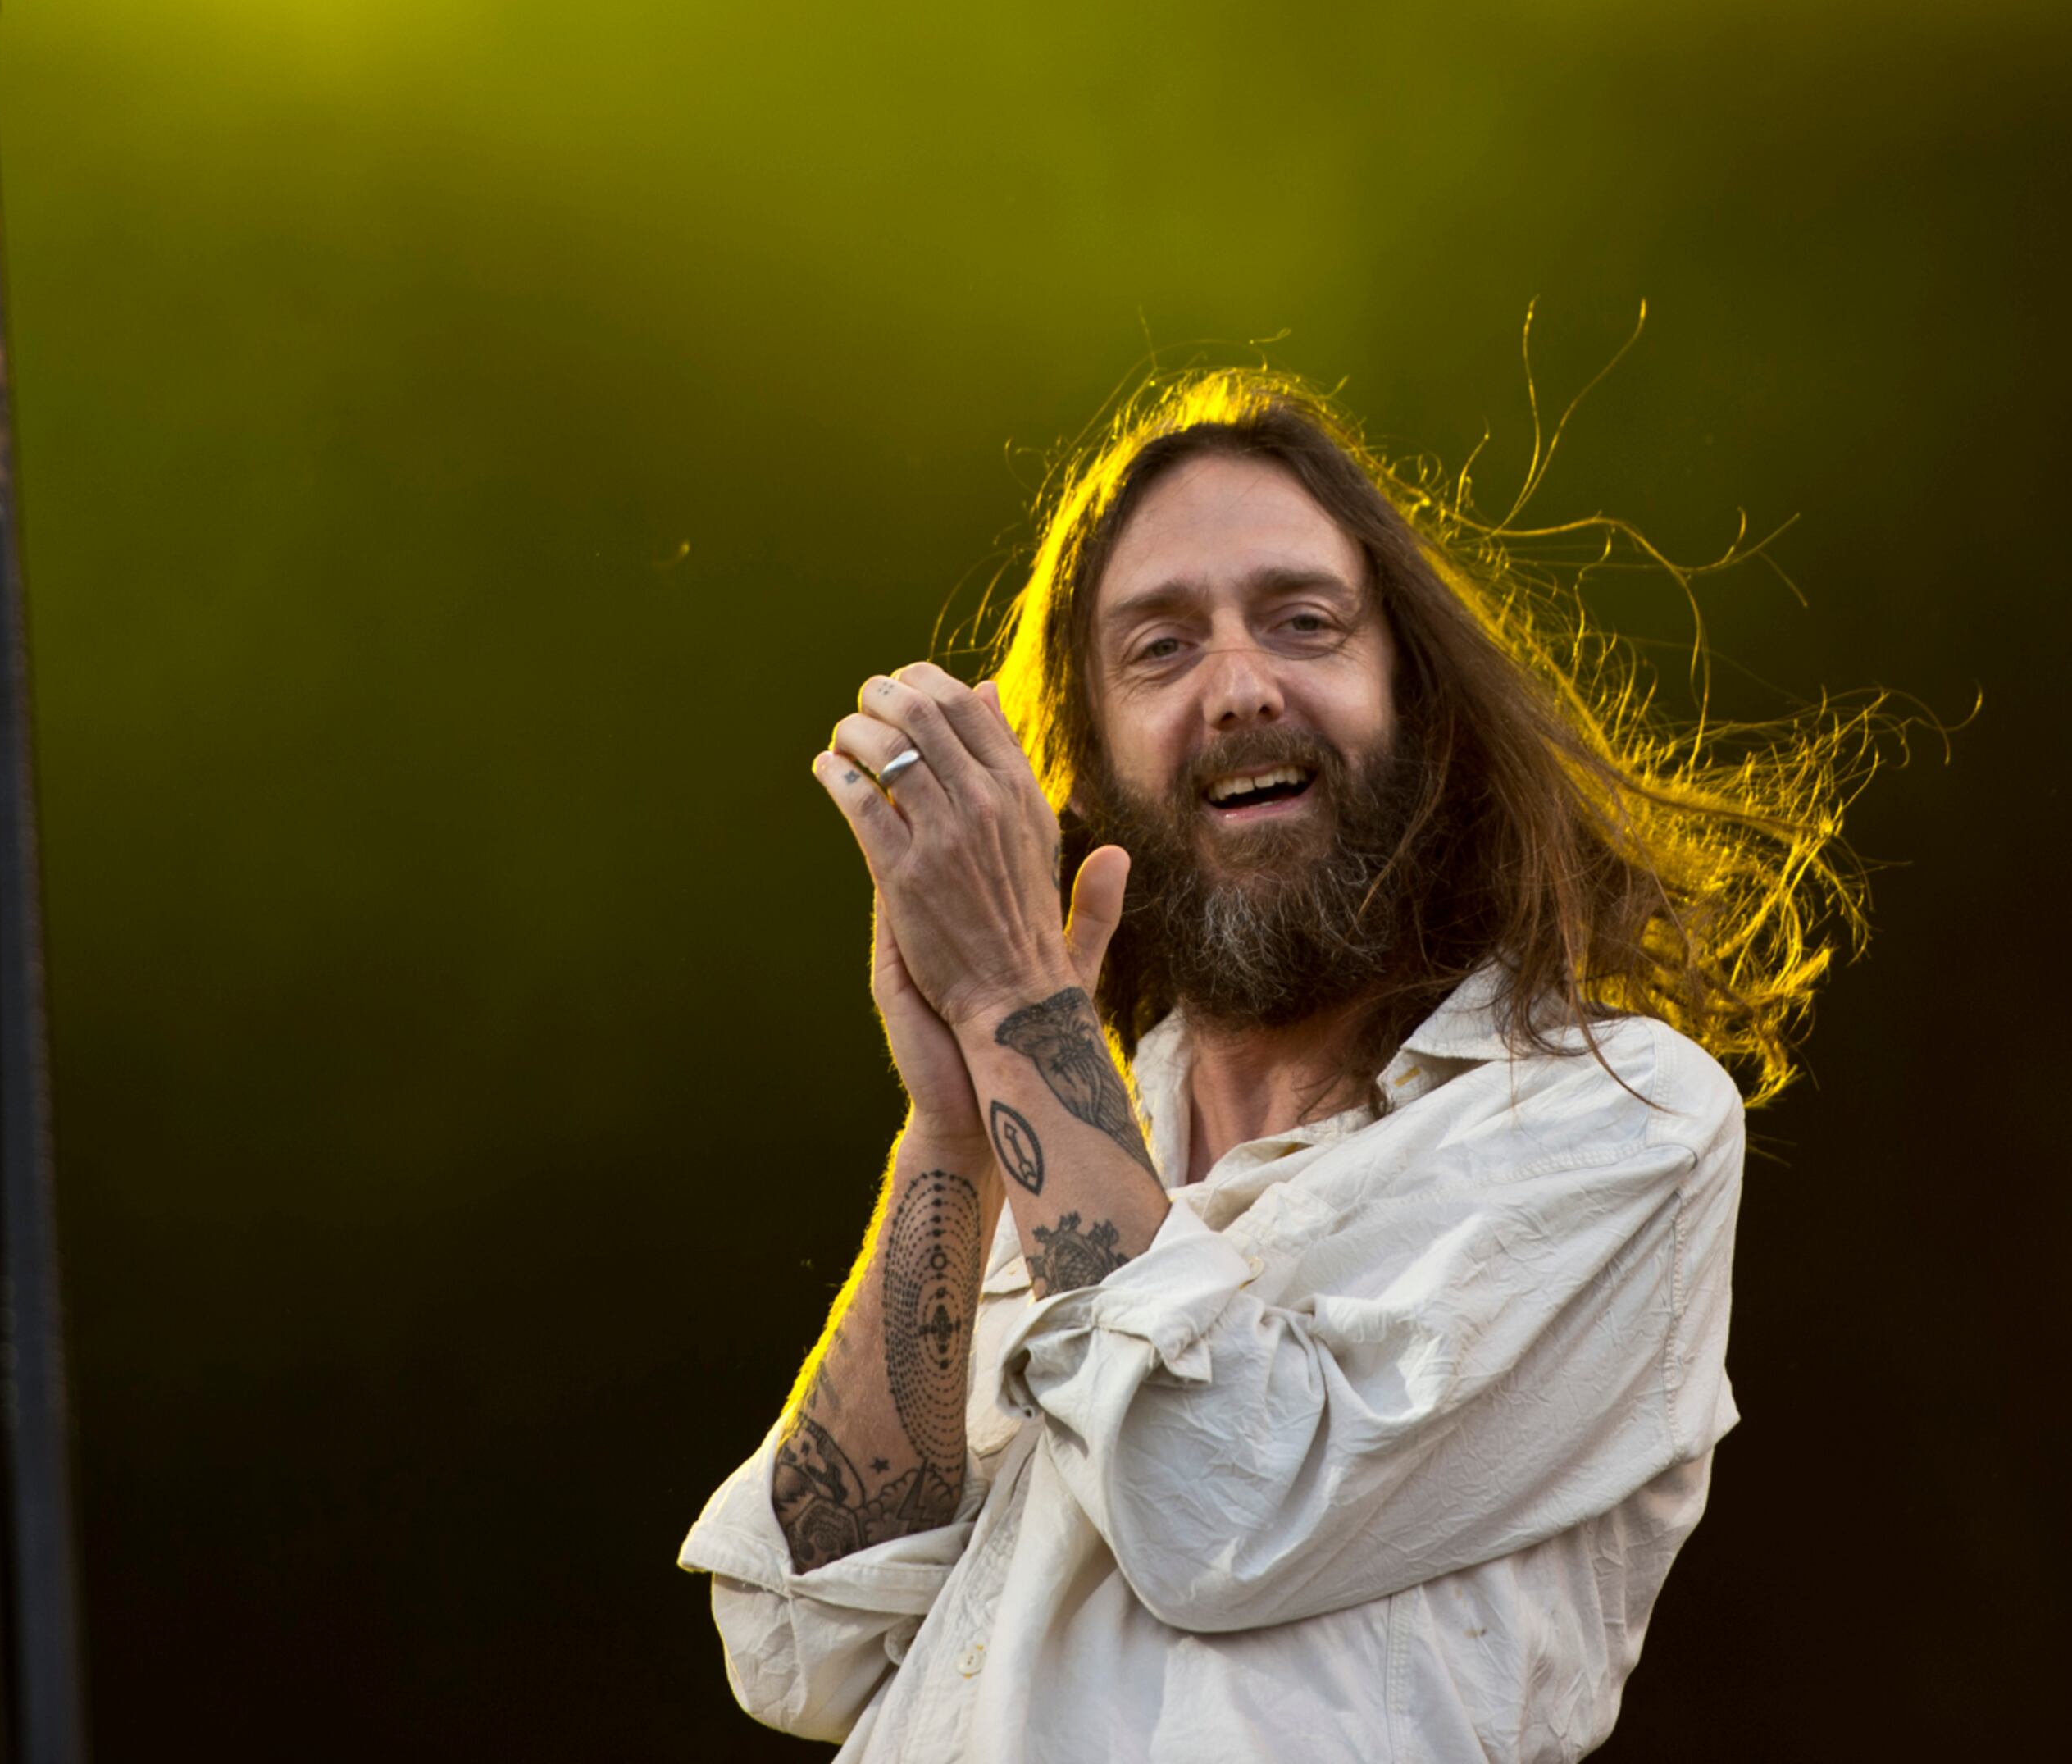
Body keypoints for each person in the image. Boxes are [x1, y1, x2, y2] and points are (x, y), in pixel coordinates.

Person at [680, 370, 1872, 1760]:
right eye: (1162, 649)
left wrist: (1016, 1007)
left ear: (1415, 695)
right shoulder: (1053, 1152)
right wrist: (950, 1140)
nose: (1241, 689)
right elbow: (801, 1642)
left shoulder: (1616, 1120)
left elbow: (1217, 1509)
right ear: (1088, 751)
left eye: (1305, 623)